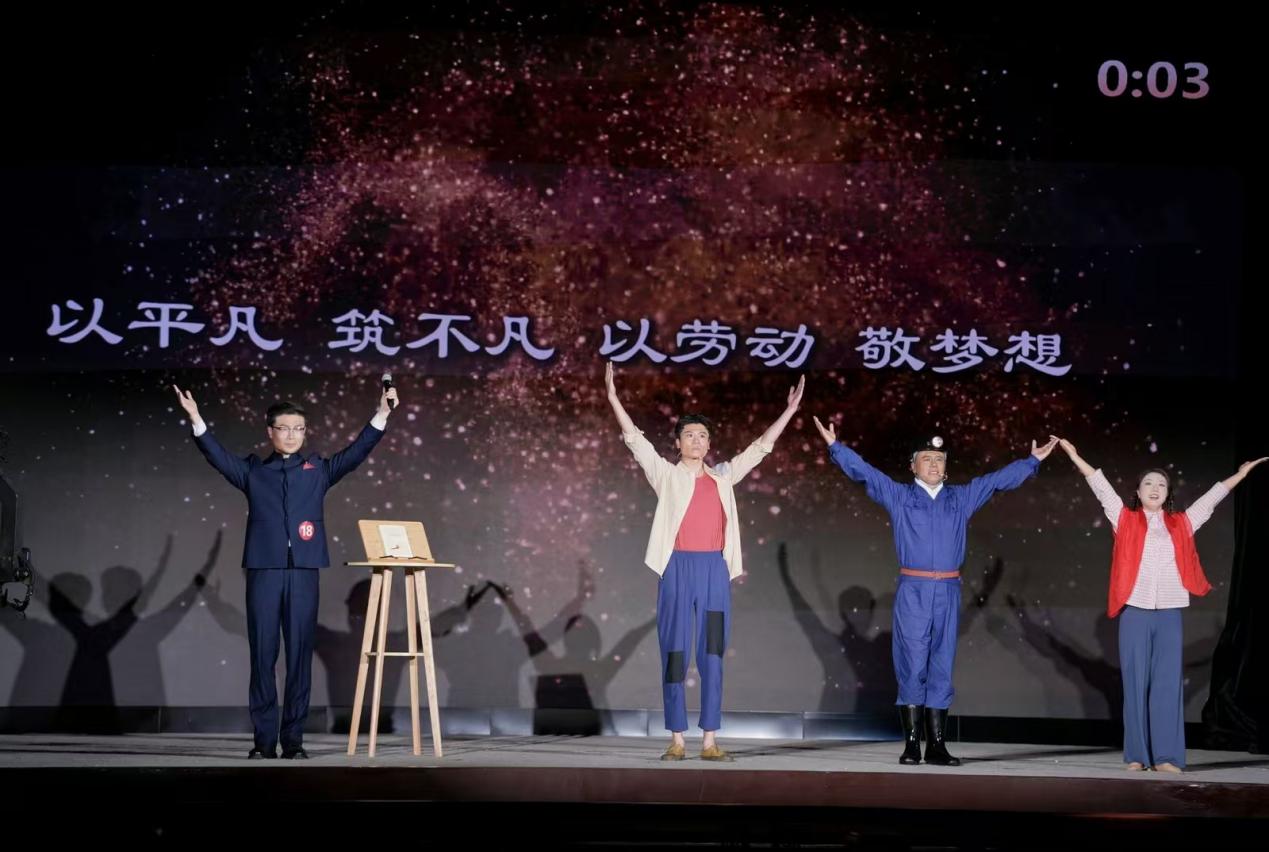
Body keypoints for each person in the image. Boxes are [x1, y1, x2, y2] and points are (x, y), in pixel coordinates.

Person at [812, 416, 1058, 766]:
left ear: (946, 467)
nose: (933, 464)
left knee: (941, 664)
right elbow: (866, 473)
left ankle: (937, 746)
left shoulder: (960, 499)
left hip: (949, 590)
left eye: (939, 459)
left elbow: (995, 482)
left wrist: (1031, 461)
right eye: (926, 458)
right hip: (914, 590)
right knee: (912, 664)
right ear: (912, 466)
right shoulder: (900, 496)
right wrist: (836, 448)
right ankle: (913, 744)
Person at [174, 381, 397, 758]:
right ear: (270, 432)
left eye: (299, 428)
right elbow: (216, 455)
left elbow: (357, 452)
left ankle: (293, 742)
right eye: (284, 428)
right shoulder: (252, 471)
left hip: (304, 571)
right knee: (263, 656)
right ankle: (263, 743)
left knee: (299, 657)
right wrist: (196, 417)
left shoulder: (319, 470)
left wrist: (382, 414)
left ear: (305, 432)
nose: (292, 435)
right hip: (264, 570)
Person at [606, 363, 803, 761]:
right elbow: (635, 440)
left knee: (712, 652)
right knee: (675, 650)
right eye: (689, 435)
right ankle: (678, 739)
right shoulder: (666, 475)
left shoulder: (723, 477)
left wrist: (789, 412)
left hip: (714, 571)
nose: (697, 440)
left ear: (709, 443)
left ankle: (710, 740)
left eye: (702, 435)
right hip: (677, 570)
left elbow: (759, 448)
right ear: (678, 443)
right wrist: (613, 397)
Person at [1057, 438, 1266, 772]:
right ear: (1138, 492)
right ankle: (1137, 756)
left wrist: (1240, 475)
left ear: (1168, 494)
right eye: (1148, 484)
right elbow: (1100, 485)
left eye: (1161, 485)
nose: (1155, 488)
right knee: (1135, 685)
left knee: (1167, 686)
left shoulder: (1182, 523)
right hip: (1134, 612)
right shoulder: (1123, 518)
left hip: (1169, 613)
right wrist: (1074, 455)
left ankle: (1166, 756)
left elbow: (1211, 499)